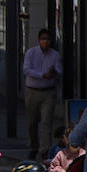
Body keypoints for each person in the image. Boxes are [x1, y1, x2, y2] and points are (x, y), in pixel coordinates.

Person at [22, 28, 63, 159]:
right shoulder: (31, 53)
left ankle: (44, 150)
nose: (45, 41)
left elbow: (60, 70)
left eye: (47, 39)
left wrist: (53, 73)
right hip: (32, 91)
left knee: (46, 121)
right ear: (39, 40)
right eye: (43, 39)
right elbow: (27, 69)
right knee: (32, 122)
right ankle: (33, 146)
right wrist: (42, 75)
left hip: (48, 91)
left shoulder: (55, 55)